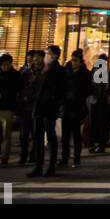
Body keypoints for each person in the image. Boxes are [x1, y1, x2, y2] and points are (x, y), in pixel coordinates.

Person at [28, 44, 66, 178]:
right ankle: (38, 165)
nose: (47, 55)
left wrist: (55, 103)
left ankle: (51, 166)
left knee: (50, 137)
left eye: (49, 53)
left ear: (55, 55)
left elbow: (61, 90)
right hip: (38, 106)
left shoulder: (58, 70)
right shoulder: (42, 69)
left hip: (49, 108)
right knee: (37, 137)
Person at [60, 48, 92, 168]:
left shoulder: (85, 74)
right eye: (72, 60)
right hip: (67, 106)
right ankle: (65, 157)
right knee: (65, 135)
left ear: (80, 61)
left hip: (77, 107)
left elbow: (88, 90)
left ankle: (76, 158)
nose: (73, 62)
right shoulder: (66, 72)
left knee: (76, 134)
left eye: (75, 60)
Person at [19, 51, 44, 166]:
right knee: (24, 133)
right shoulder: (26, 72)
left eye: (38, 57)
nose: (36, 59)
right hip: (26, 106)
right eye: (34, 57)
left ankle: (33, 155)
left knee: (36, 133)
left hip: (38, 105)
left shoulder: (44, 72)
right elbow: (20, 87)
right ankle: (23, 155)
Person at [88, 53, 109, 154]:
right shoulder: (104, 71)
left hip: (97, 102)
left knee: (96, 124)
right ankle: (99, 144)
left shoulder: (98, 70)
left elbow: (97, 87)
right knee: (100, 124)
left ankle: (95, 144)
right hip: (101, 102)